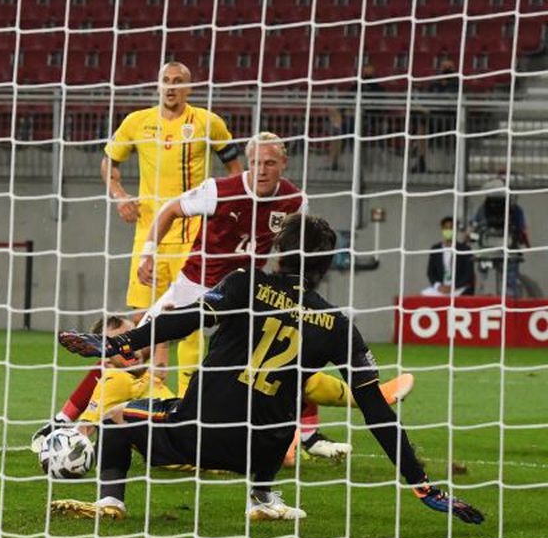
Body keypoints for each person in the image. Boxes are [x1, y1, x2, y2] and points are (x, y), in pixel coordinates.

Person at [53, 214, 485, 526]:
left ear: (278, 252)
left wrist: (116, 344)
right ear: (325, 267)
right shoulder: (337, 323)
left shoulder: (244, 283)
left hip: (202, 434)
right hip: (268, 452)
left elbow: (184, 319)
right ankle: (262, 496)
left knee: (115, 419)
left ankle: (111, 502)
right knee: (283, 407)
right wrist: (422, 484)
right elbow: (378, 413)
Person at [37, 133, 413, 461]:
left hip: (248, 294)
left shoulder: (297, 201)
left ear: (284, 163)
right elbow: (169, 210)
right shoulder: (221, 189)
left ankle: (308, 433)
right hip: (196, 287)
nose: (261, 169)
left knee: (285, 356)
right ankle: (65, 422)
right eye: (254, 162)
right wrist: (149, 251)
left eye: (269, 162)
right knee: (129, 351)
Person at [100, 61, 243, 400]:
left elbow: (235, 168)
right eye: (165, 80)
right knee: (141, 316)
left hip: (194, 235)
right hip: (149, 234)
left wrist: (230, 209)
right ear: (158, 85)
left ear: (189, 88)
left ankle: (189, 400)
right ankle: (143, 393)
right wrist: (120, 197)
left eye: (178, 81)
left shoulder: (209, 123)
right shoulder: (137, 122)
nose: (171, 87)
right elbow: (109, 163)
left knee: (191, 320)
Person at [422, 216, 475, 297]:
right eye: (446, 228)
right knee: (425, 294)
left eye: (451, 228)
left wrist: (453, 287)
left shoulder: (465, 249)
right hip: (441, 288)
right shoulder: (435, 249)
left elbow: (468, 275)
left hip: (459, 288)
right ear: (442, 229)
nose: (448, 230)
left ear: (455, 230)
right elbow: (430, 273)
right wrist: (438, 286)